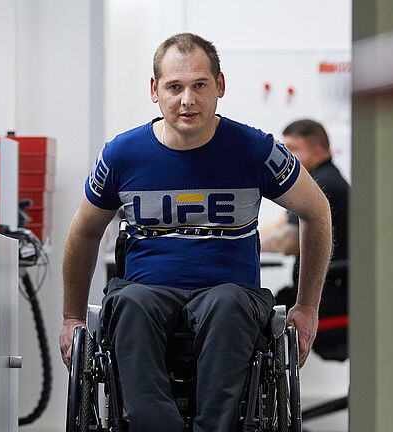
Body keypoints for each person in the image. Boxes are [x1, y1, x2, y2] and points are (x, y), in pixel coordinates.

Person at [59, 33, 332, 432]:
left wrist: (307, 307)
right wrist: (70, 316)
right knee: (131, 302)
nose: (187, 99)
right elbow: (83, 233)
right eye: (174, 86)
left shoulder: (255, 149)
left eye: (199, 85)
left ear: (219, 86)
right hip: (144, 293)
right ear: (155, 91)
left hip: (230, 293)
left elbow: (317, 211)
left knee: (227, 304)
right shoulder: (121, 155)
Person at [260, 119, 349, 360]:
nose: (286, 155)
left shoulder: (324, 185)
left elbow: (289, 242)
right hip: (331, 291)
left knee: (254, 315)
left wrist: (238, 245)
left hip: (331, 297)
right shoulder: (319, 178)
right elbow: (281, 226)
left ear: (318, 150)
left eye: (293, 148)